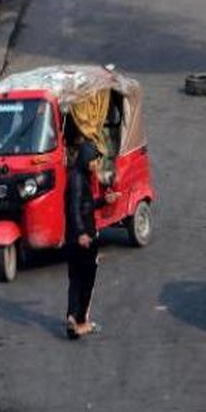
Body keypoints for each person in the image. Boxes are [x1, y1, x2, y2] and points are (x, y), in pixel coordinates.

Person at [65, 136, 119, 339]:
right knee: (87, 280)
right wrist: (81, 234)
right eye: (94, 160)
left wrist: (104, 201)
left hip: (74, 237)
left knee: (75, 279)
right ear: (86, 158)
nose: (96, 164)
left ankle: (72, 317)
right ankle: (81, 321)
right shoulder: (78, 180)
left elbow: (85, 206)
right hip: (83, 238)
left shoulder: (79, 177)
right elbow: (74, 210)